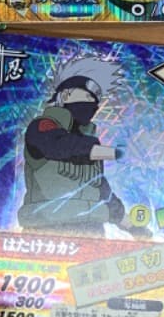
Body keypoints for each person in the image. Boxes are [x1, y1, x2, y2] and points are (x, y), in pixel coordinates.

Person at [18, 55, 126, 234]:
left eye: (95, 100)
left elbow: (100, 186)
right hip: (46, 229)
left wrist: (131, 224)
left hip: (91, 231)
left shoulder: (88, 140)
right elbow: (59, 146)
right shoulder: (42, 127)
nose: (92, 104)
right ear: (66, 95)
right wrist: (112, 153)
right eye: (87, 96)